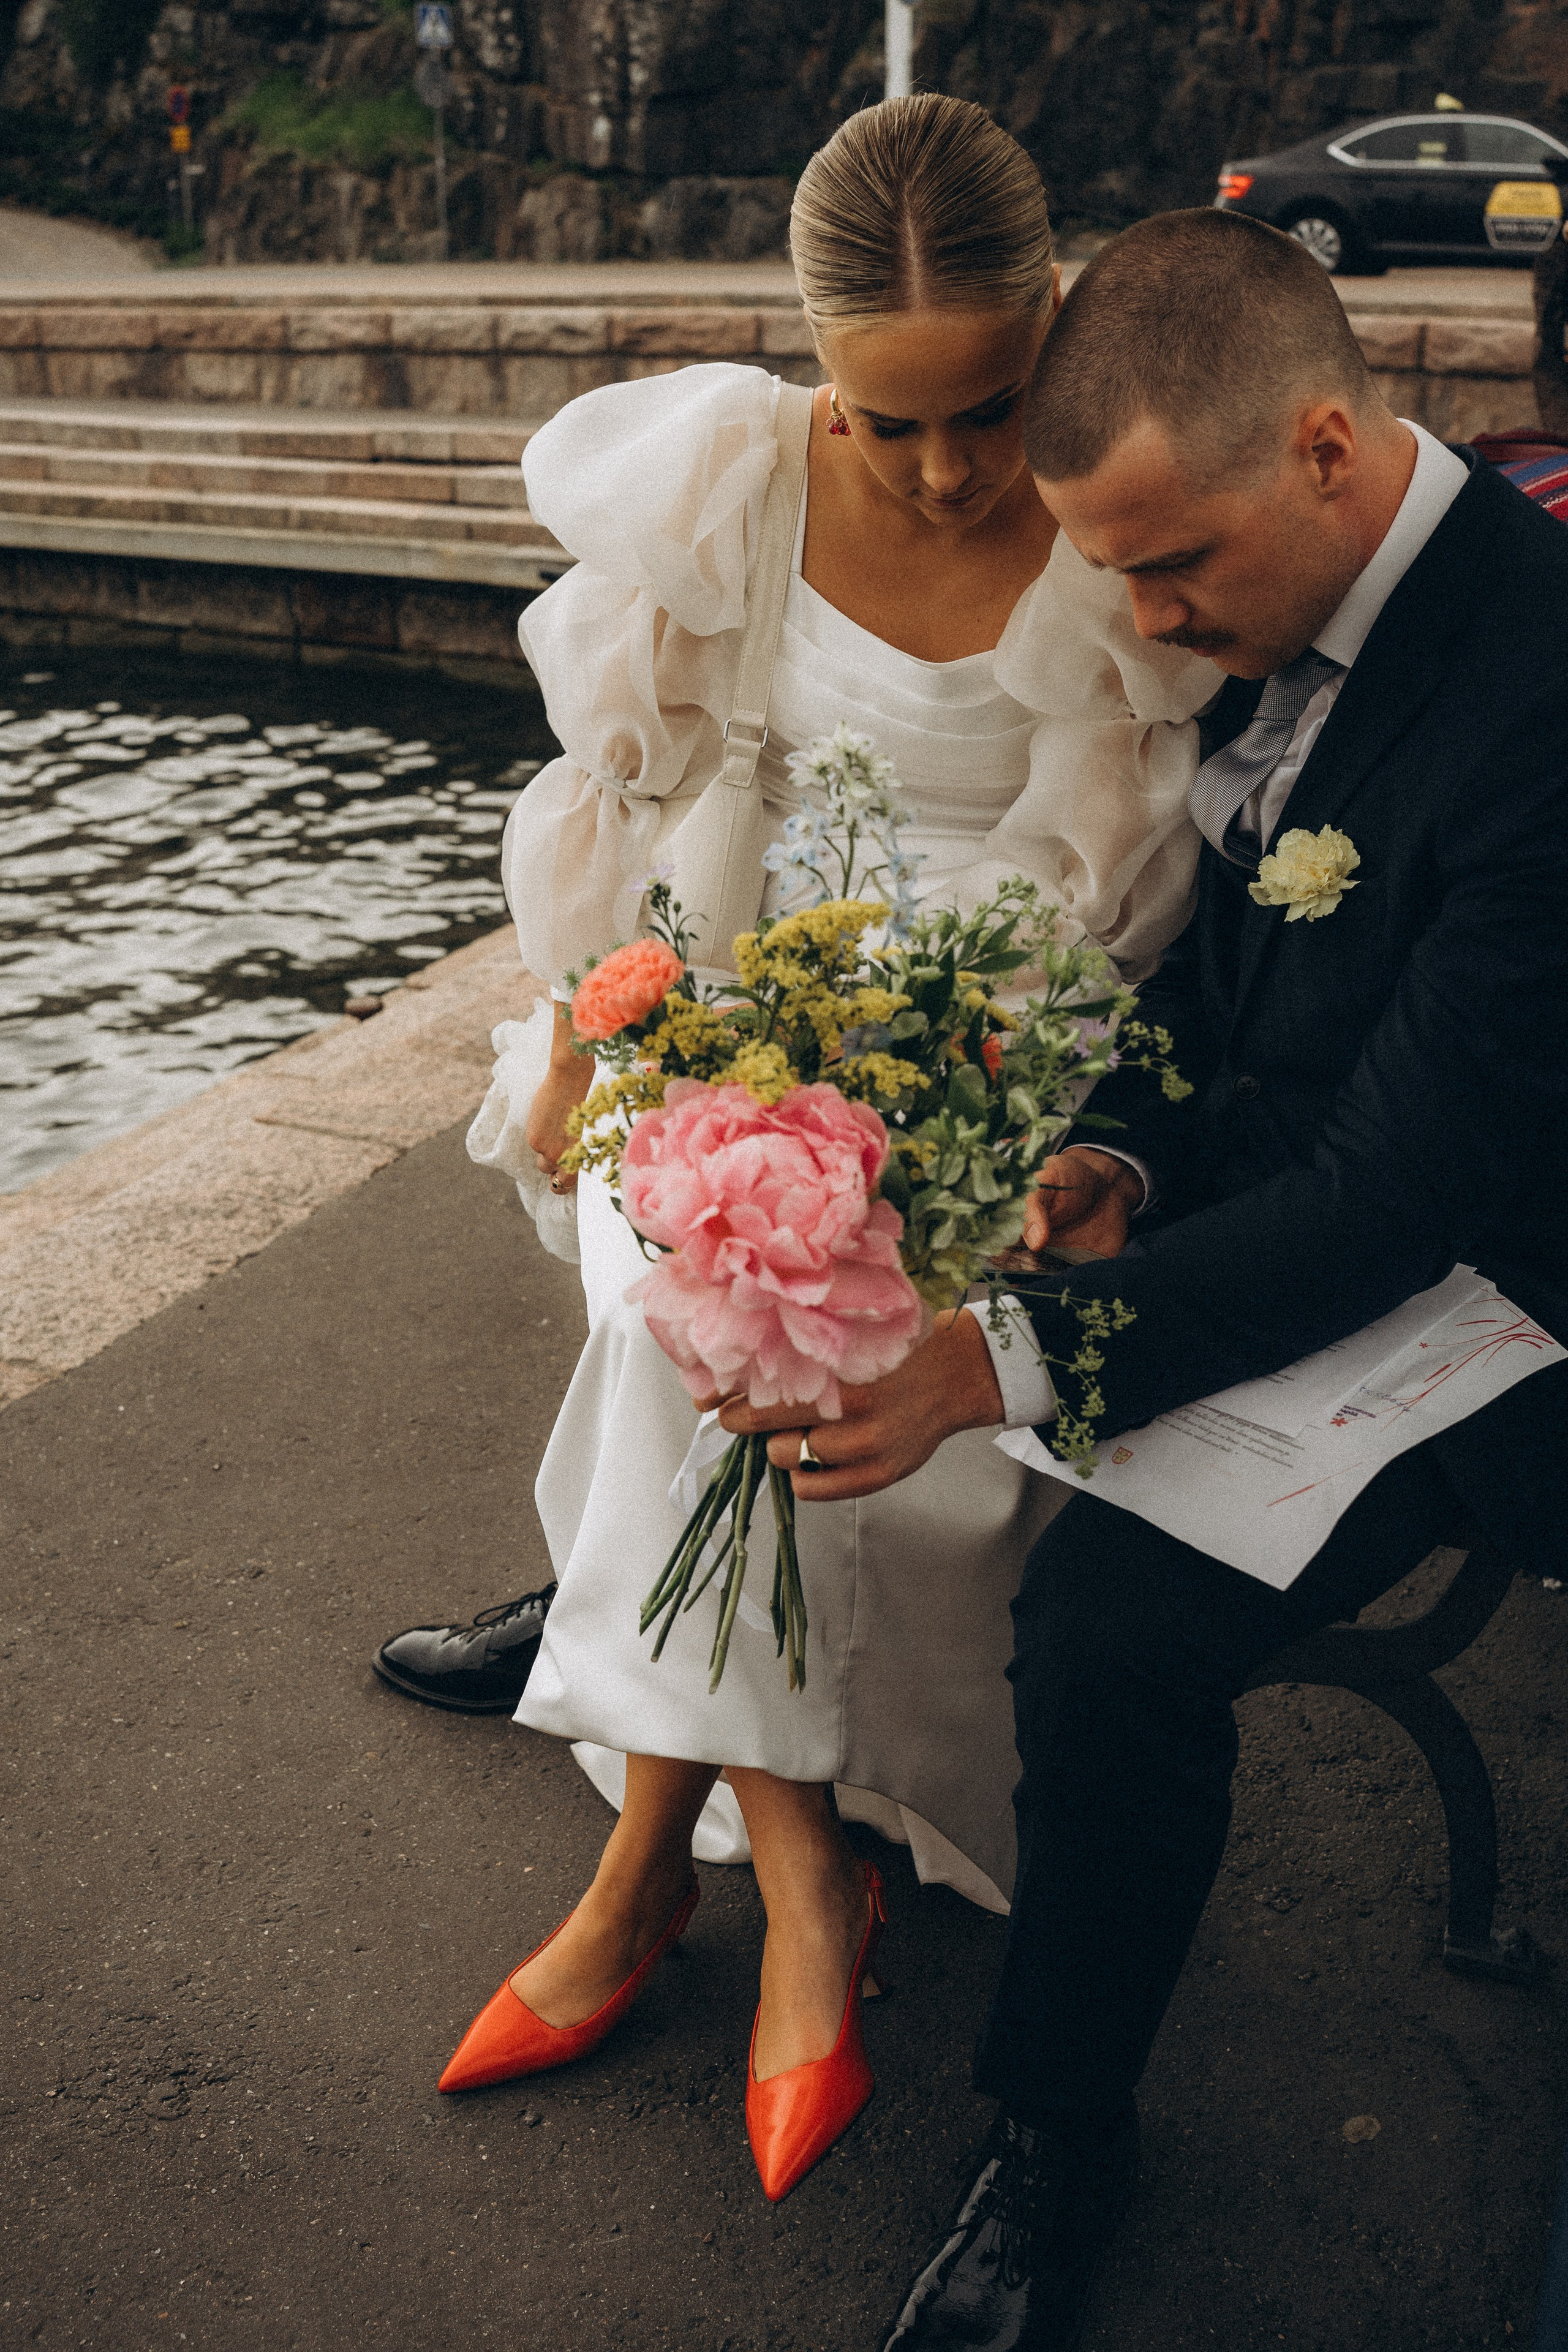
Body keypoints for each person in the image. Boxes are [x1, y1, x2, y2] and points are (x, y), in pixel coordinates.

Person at [720, 205, 1568, 2346]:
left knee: (1108, 1616)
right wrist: (1114, 1149)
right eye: (1111, 568)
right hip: (1315, 1229)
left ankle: (1049, 2139)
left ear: (1323, 451)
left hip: (1515, 1298)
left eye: (1170, 566)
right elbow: (1230, 993)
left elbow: (1409, 1184)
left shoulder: (1547, 680)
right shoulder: (1266, 602)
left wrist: (999, 1354)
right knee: (1071, 1568)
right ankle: (1052, 2106)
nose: (1142, 616)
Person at [431, 96, 1218, 2203]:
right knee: (703, 1257)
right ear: (807, 359)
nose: (955, 470)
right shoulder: (727, 490)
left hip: (1006, 1007)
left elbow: (1102, 878)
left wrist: (928, 1093)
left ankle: (645, 1879)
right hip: (735, 964)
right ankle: (795, 1887)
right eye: (890, 423)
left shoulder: (1119, 491)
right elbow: (654, 778)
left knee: (759, 1310)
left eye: (988, 405)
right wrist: (637, 1024)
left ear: (1055, 317)